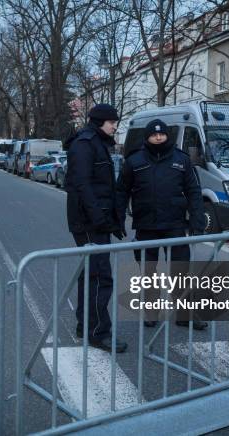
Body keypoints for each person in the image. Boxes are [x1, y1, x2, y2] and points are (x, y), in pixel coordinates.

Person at [116, 119, 207, 330]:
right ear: (147, 137)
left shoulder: (182, 160)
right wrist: (118, 219)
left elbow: (194, 191)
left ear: (168, 136)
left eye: (162, 134)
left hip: (175, 225)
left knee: (180, 271)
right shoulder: (134, 160)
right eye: (153, 134)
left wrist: (197, 220)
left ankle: (185, 315)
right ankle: (151, 313)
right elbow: (121, 192)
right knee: (149, 274)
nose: (158, 137)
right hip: (146, 225)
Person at [65, 103, 128, 353]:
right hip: (89, 222)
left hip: (95, 220)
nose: (115, 126)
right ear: (101, 121)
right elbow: (83, 186)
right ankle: (98, 332)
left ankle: (86, 325)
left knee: (91, 273)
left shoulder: (97, 143)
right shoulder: (85, 144)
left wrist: (113, 221)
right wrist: (99, 219)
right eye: (112, 122)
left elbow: (104, 187)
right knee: (100, 276)